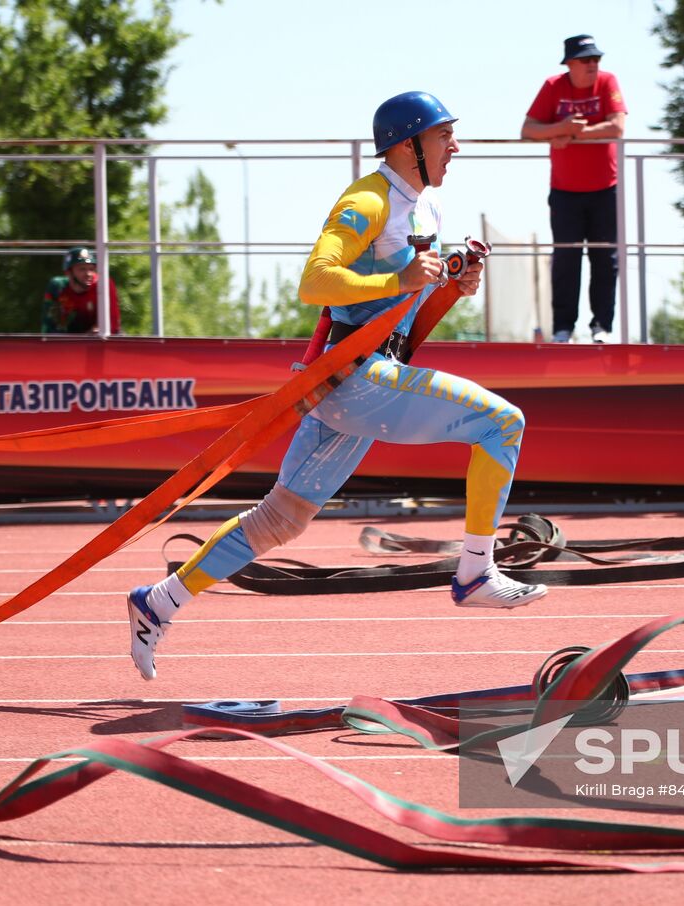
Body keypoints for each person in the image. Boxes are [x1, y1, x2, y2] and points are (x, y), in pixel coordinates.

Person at [122, 91, 548, 681]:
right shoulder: (368, 198)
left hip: (356, 380)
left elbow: (404, 311)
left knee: (281, 519)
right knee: (504, 423)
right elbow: (315, 282)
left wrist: (451, 283)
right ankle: (475, 570)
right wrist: (400, 277)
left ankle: (158, 601)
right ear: (408, 145)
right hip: (359, 381)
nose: (455, 146)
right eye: (443, 135)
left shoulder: (426, 209)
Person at [521, 34, 627, 344]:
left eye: (596, 59)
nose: (593, 65)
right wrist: (562, 128)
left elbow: (618, 127)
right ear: (569, 64)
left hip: (605, 189)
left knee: (605, 259)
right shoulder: (554, 86)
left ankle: (602, 327)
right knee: (566, 259)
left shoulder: (608, 81)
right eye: (586, 60)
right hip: (565, 191)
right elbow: (528, 129)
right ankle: (563, 329)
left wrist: (577, 134)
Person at [41, 246, 121, 334]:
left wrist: (96, 332)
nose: (89, 274)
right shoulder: (57, 288)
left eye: (91, 269)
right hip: (69, 342)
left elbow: (113, 326)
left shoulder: (103, 284)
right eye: (82, 269)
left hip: (97, 341)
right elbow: (49, 328)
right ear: (68, 273)